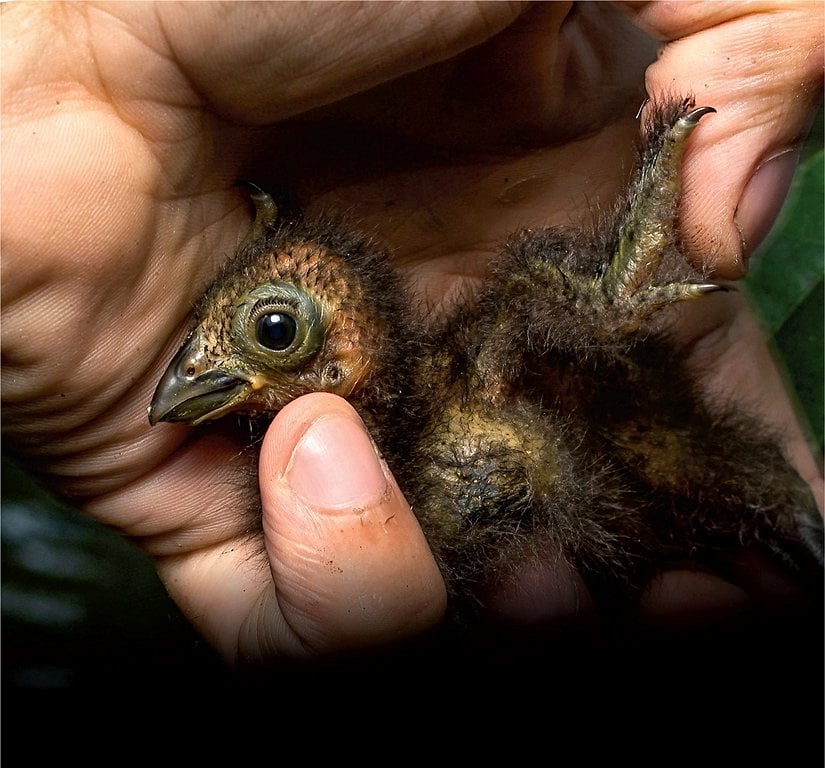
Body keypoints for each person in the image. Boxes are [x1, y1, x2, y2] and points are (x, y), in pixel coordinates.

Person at [2, 1, 822, 668]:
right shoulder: (435, 433)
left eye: (276, 328)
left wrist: (97, 61)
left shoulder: (500, 345)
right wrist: (88, 71)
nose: (186, 383)